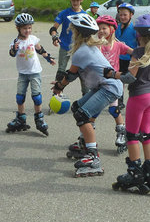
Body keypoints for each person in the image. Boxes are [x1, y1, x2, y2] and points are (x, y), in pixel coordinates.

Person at [51, 14, 125, 178]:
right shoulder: (88, 47)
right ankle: (85, 144)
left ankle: (93, 157)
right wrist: (59, 84)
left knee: (82, 115)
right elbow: (73, 74)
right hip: (103, 86)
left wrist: (58, 87)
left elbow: (71, 75)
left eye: (72, 30)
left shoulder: (82, 51)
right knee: (77, 107)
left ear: (76, 32)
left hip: (109, 88)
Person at [110, 14, 150, 197]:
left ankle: (135, 174)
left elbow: (129, 77)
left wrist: (113, 74)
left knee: (132, 135)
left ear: (138, 34)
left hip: (139, 97)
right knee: (146, 134)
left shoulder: (138, 53)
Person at [6, 13, 56, 136]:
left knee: (36, 96)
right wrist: (14, 49)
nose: (27, 30)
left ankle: (39, 118)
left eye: (29, 28)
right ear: (18, 28)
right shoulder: (15, 42)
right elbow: (12, 53)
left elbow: (40, 49)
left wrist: (48, 58)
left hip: (35, 72)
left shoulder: (32, 38)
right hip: (22, 73)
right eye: (24, 28)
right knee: (20, 97)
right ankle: (21, 117)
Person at [97, 15, 133, 154]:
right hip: (98, 82)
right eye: (99, 28)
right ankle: (85, 137)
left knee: (114, 109)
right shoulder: (96, 45)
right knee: (92, 111)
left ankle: (121, 133)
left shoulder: (118, 45)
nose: (101, 31)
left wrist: (144, 54)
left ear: (112, 30)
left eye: (104, 28)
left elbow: (133, 52)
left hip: (113, 83)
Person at [50, 0, 88, 96]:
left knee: (82, 72)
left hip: (79, 48)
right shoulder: (64, 13)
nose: (75, 2)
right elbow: (53, 28)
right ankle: (56, 94)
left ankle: (85, 96)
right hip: (65, 45)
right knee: (61, 71)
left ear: (82, 0)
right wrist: (54, 37)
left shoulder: (85, 15)